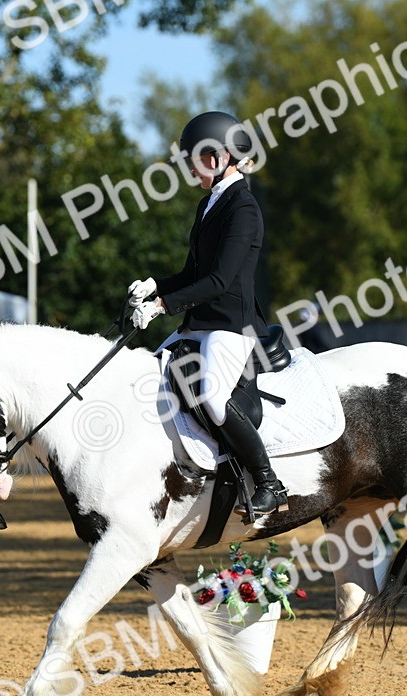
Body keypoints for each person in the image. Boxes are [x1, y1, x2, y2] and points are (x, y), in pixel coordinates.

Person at [127, 111, 289, 517]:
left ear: (218, 158)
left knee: (214, 398)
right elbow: (191, 273)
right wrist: (155, 285)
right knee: (150, 373)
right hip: (200, 322)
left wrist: (162, 306)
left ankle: (270, 484)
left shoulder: (244, 208)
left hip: (231, 325)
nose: (188, 168)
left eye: (192, 160)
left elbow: (218, 281)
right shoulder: (209, 203)